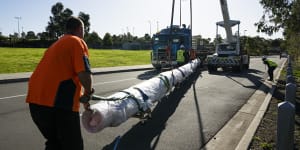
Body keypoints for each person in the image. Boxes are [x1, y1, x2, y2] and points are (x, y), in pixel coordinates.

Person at [26, 16, 93, 150]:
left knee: (54, 143)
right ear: (80, 29)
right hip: (59, 105)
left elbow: (63, 76)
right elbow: (83, 73)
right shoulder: (76, 41)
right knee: (73, 146)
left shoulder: (56, 45)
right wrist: (88, 93)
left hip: (35, 104)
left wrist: (83, 99)